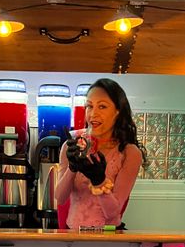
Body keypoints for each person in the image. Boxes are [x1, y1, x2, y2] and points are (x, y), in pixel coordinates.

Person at [56, 78, 144, 229]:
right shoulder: (71, 144)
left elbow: (113, 212)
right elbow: (60, 197)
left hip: (108, 238)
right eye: (89, 106)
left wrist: (99, 181)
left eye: (102, 106)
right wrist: (72, 168)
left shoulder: (130, 153)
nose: (93, 114)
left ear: (118, 111)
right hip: (72, 236)